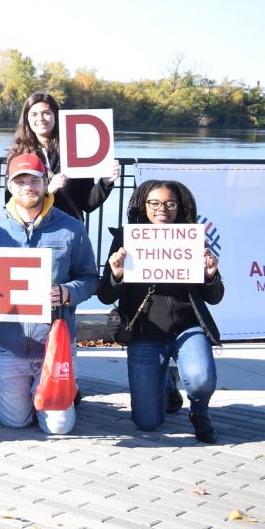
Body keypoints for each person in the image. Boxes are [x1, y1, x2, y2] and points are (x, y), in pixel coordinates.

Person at [0, 154, 98, 436]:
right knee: (15, 421)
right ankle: (33, 395)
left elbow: (90, 279)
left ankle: (56, 396)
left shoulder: (71, 227)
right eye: (20, 180)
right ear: (10, 186)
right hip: (7, 347)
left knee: (59, 428)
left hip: (54, 345)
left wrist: (65, 292)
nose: (28, 186)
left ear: (45, 183)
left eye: (34, 180)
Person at [97, 180, 222, 443]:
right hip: (144, 331)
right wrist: (116, 274)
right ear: (144, 206)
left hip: (187, 326)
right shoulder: (126, 238)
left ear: (180, 207)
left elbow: (215, 297)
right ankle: (166, 384)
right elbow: (105, 295)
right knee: (147, 422)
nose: (162, 209)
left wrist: (210, 275)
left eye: (170, 203)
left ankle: (199, 413)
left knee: (200, 379)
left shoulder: (190, 236)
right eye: (154, 203)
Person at [5, 92, 119, 223]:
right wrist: (48, 191)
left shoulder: (75, 152)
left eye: (46, 113)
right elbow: (10, 202)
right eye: (34, 114)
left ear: (56, 116)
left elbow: (88, 204)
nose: (40, 118)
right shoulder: (18, 155)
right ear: (26, 119)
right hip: (32, 231)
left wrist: (105, 182)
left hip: (69, 231)